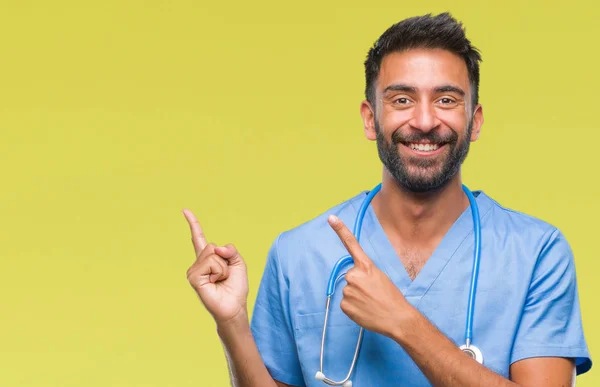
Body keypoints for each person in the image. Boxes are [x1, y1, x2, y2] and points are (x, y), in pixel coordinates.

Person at [183, 12, 592, 387]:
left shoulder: (537, 252)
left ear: (475, 120)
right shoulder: (300, 255)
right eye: (401, 99)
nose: (425, 120)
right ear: (369, 118)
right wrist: (232, 322)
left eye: (446, 99)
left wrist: (403, 322)